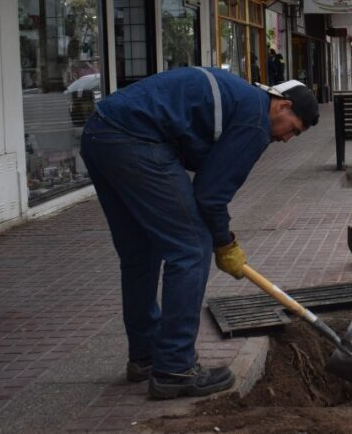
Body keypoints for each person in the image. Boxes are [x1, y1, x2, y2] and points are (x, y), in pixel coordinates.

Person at [79, 69, 319, 398]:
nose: (285, 139)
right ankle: (175, 368)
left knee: (141, 252)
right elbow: (210, 194)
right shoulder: (254, 120)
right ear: (282, 106)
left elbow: (206, 177)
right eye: (293, 130)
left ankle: (147, 356)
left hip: (100, 133)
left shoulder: (241, 98)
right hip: (136, 140)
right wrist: (224, 242)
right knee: (191, 247)